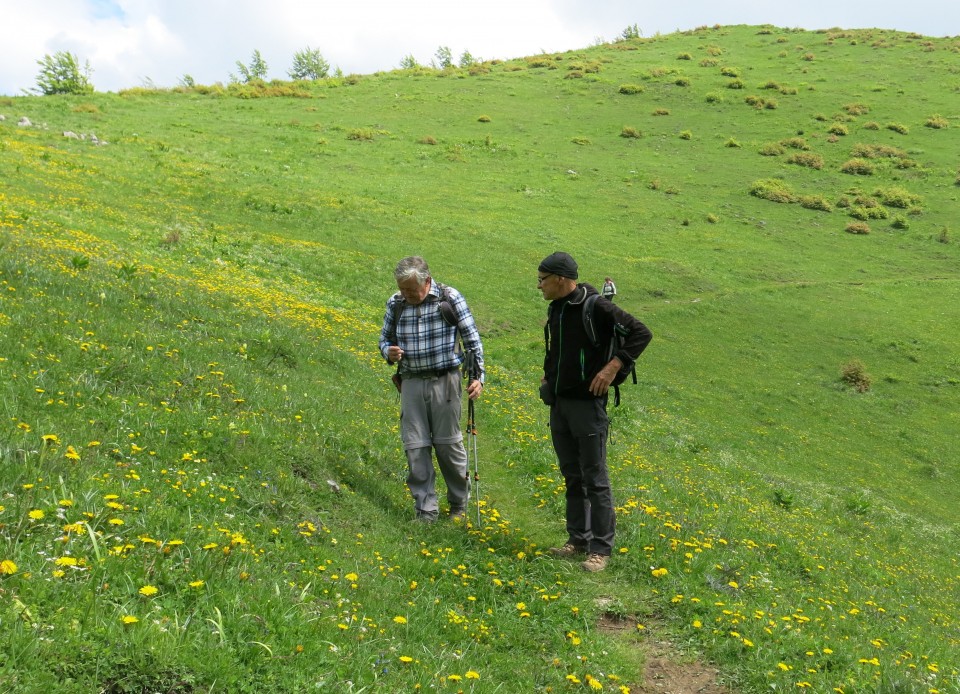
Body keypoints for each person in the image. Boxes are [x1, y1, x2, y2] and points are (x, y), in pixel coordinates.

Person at [538, 252, 652, 572]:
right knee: (572, 475)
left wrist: (613, 367)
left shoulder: (596, 306)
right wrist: (548, 376)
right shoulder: (556, 307)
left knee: (594, 477)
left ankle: (601, 549)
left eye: (542, 279)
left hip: (588, 406)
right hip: (559, 404)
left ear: (561, 278)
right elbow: (558, 349)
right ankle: (578, 540)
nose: (539, 286)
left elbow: (641, 332)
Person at [379, 256, 485, 522]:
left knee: (448, 445)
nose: (407, 294)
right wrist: (388, 352)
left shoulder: (449, 298)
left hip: (445, 380)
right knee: (415, 445)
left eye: (411, 289)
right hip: (411, 381)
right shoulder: (396, 303)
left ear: (427, 282)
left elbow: (472, 340)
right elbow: (384, 339)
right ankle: (426, 510)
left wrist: (477, 377)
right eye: (403, 289)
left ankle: (458, 505)